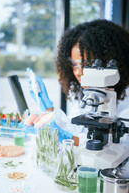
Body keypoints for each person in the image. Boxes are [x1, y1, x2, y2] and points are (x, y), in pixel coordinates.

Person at [28, 19, 129, 147]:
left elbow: (120, 147)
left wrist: (62, 137)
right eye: (74, 65)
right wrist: (48, 111)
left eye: (86, 65)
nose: (78, 72)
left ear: (109, 62)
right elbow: (73, 128)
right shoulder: (89, 92)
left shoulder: (126, 103)